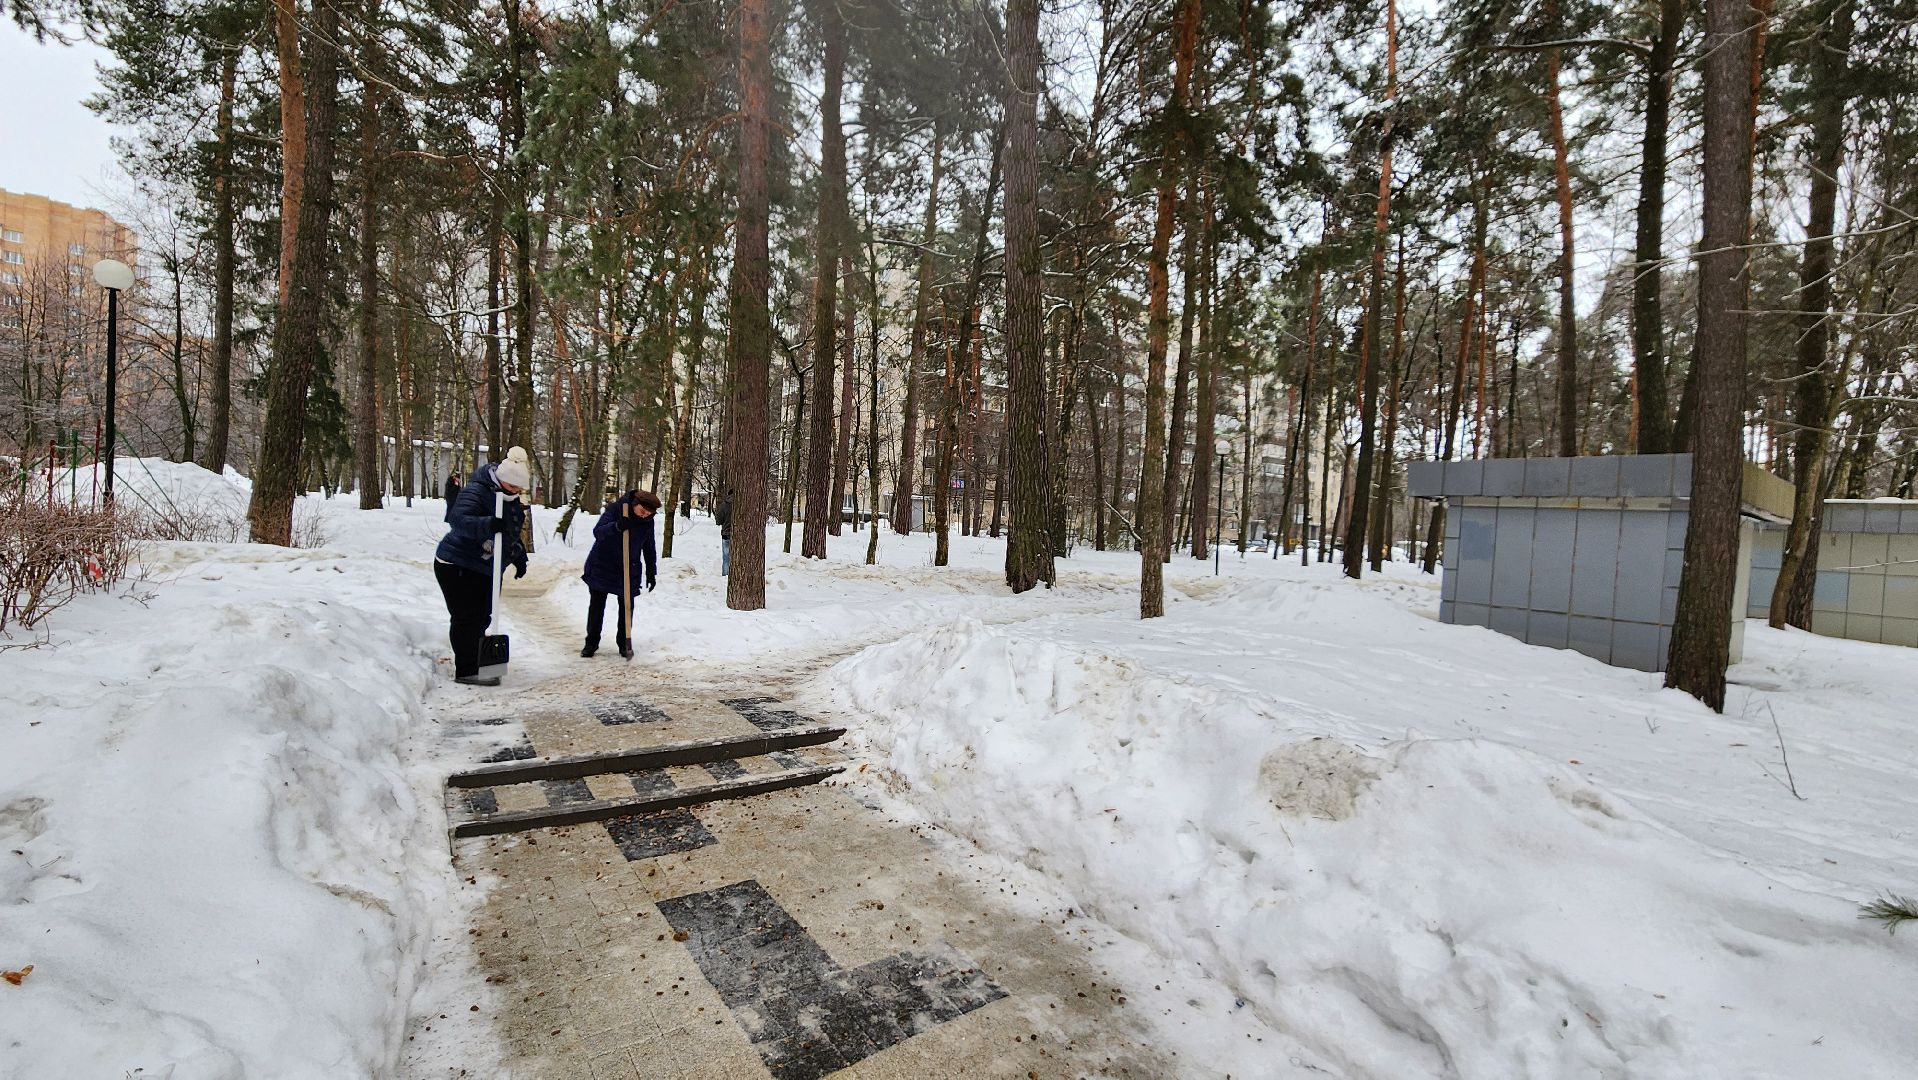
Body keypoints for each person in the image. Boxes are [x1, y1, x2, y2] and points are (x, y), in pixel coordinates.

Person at [434, 448, 531, 686]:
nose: (516, 492)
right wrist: (487, 523)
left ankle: (480, 660)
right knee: (467, 617)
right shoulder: (478, 490)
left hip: (485, 566)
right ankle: (467, 670)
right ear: (502, 479)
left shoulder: (509, 497)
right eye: (512, 487)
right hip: (457, 563)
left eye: (519, 488)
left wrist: (517, 555)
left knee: (483, 615)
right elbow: (458, 520)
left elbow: (508, 531)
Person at [581, 488, 660, 658]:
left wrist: (651, 571)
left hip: (628, 567)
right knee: (597, 606)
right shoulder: (617, 509)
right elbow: (598, 532)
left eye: (649, 513)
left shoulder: (647, 521)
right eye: (642, 511)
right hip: (603, 563)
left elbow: (649, 546)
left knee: (627, 607)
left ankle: (624, 643)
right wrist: (617, 526)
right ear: (634, 504)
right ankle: (591, 643)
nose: (645, 515)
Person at [714, 489, 733, 577]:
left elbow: (718, 521)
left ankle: (726, 575)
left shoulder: (724, 505)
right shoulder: (743, 505)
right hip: (740, 536)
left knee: (726, 558)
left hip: (726, 534)